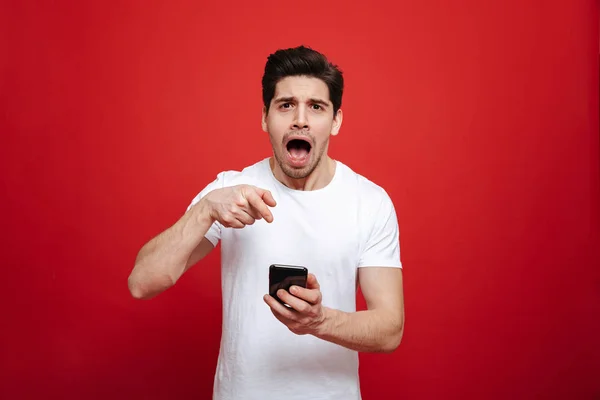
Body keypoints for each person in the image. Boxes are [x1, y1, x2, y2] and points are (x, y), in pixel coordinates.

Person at [128, 45, 405, 400]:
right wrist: (205, 211)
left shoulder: (369, 202)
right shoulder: (229, 191)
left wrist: (319, 322)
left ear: (335, 121)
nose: (300, 119)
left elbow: (390, 328)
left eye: (316, 107)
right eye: (285, 105)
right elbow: (142, 282)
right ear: (265, 117)